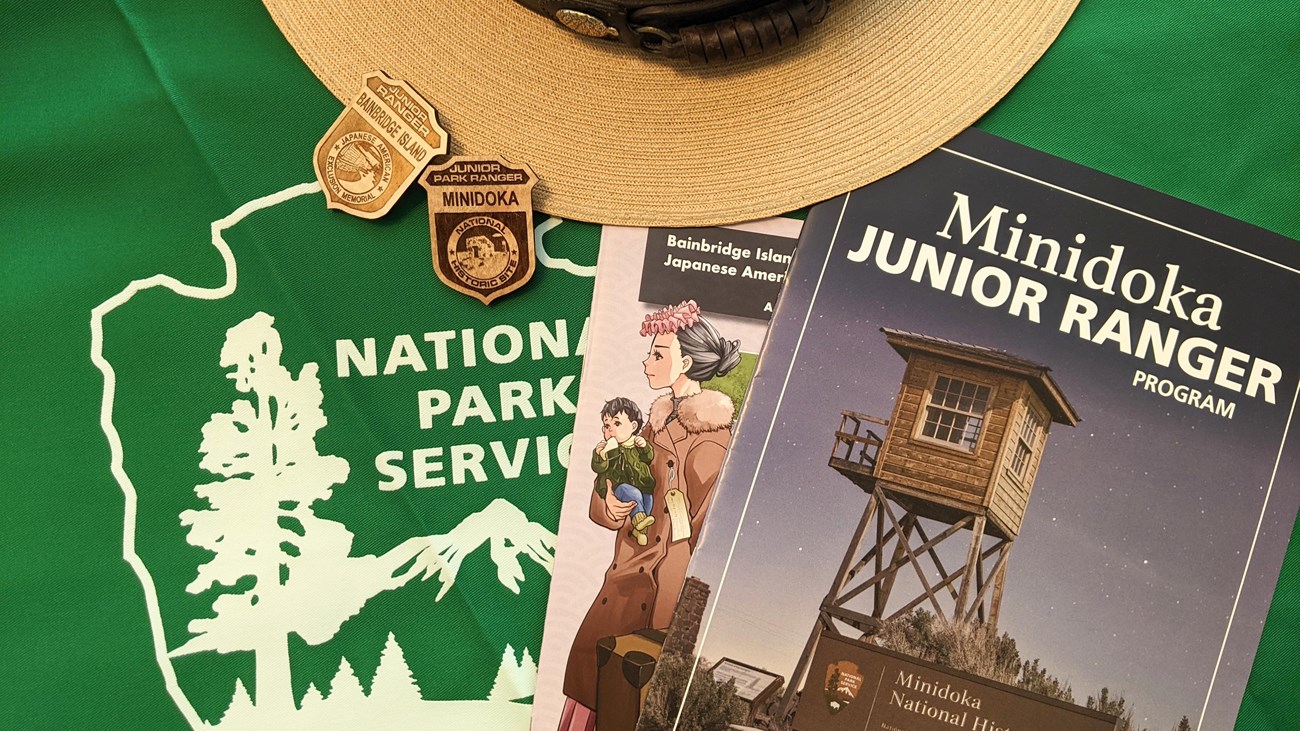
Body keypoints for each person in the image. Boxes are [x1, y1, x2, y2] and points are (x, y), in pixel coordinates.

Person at [559, 300, 740, 731]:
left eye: (659, 353)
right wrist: (611, 505)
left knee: (626, 699)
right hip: (621, 578)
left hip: (657, 594)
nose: (647, 361)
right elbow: (609, 484)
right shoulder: (651, 424)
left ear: (688, 363)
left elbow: (700, 535)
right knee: (590, 687)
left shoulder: (712, 441)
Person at [591, 397, 657, 546]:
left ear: (633, 426)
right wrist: (601, 454)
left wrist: (644, 447)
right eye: (607, 426)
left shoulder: (637, 443)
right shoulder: (607, 449)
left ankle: (639, 530)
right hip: (620, 488)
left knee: (647, 502)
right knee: (632, 494)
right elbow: (598, 468)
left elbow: (648, 457)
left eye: (617, 424)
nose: (611, 430)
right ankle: (640, 520)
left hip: (644, 486)